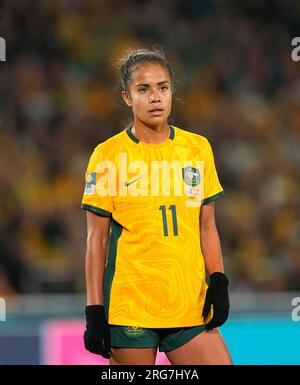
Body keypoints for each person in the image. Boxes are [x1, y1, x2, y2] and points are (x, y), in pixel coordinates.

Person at [81, 48, 232, 365]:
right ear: (126, 97)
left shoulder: (197, 148)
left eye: (163, 87)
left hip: (189, 304)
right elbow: (97, 238)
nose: (155, 97)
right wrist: (94, 309)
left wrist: (218, 280)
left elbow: (206, 226)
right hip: (131, 306)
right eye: (144, 89)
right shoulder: (108, 156)